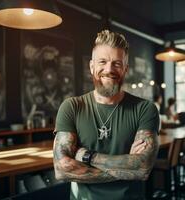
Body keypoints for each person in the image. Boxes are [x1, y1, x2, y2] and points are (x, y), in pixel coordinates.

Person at [53, 30, 160, 200]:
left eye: (117, 63)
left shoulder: (145, 109)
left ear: (125, 69)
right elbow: (61, 169)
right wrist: (127, 170)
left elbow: (143, 167)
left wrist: (86, 156)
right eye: (102, 62)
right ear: (92, 66)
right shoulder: (72, 107)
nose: (109, 69)